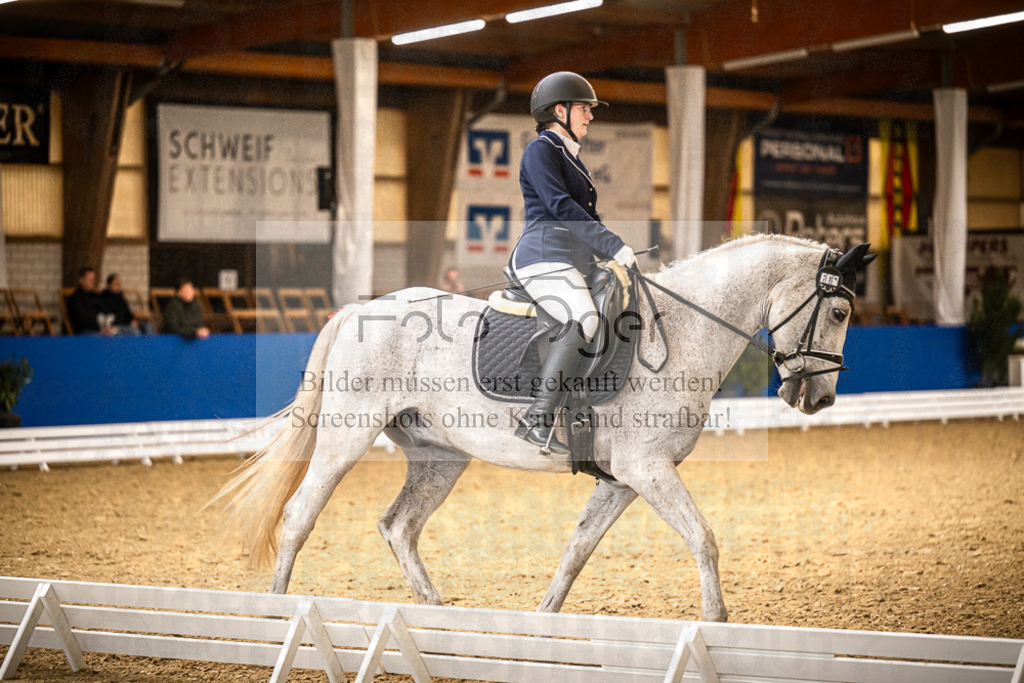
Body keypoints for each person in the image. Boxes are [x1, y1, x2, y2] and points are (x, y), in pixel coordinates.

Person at [508, 71, 636, 454]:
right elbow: (561, 208)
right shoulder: (541, 150)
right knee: (585, 317)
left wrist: (612, 254)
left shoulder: (568, 155)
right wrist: (611, 244)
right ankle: (537, 418)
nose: (590, 116)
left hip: (571, 259)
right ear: (559, 110)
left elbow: (586, 217)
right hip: (543, 256)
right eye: (585, 109)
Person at [67, 266, 116, 335]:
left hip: (103, 328)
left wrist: (110, 325)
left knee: (124, 334)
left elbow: (107, 310)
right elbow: (81, 320)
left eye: (93, 279)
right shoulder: (75, 298)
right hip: (86, 332)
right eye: (89, 279)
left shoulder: (96, 296)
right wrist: (99, 329)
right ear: (81, 280)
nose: (92, 281)